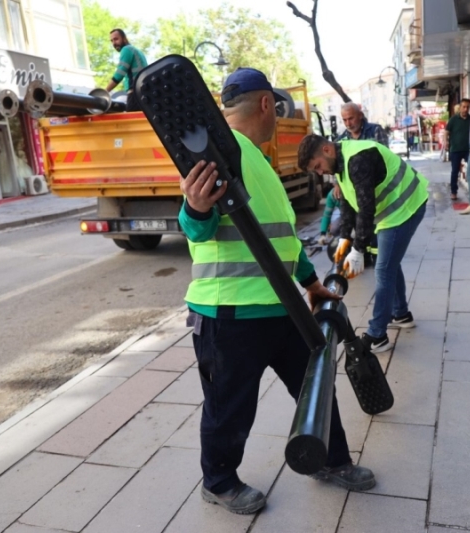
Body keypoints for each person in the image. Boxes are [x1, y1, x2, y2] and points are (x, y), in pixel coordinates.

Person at [179, 67, 375, 515]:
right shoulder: (217, 151)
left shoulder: (258, 160)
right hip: (228, 315)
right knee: (229, 408)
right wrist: (194, 206)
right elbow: (194, 227)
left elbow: (281, 239)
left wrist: (310, 284)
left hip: (281, 306)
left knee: (315, 386)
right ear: (268, 104)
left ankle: (331, 459)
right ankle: (220, 482)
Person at [298, 134, 428, 353]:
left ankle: (378, 336)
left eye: (318, 166)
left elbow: (366, 210)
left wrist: (358, 250)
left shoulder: (358, 159)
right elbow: (348, 202)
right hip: (391, 211)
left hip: (405, 207)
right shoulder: (339, 164)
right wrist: (344, 238)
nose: (320, 173)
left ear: (327, 150)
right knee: (388, 263)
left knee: (384, 268)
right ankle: (401, 314)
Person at [104, 28, 148, 111]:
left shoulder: (126, 49)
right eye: (112, 41)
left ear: (124, 39)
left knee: (132, 122)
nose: (114, 43)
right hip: (144, 92)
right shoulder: (137, 51)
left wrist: (105, 92)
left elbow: (119, 74)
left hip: (135, 93)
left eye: (116, 39)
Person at [445, 99, 470, 201]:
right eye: (464, 107)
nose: (465, 109)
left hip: (468, 149)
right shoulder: (453, 119)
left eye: (467, 107)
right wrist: (446, 142)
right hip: (455, 149)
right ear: (460, 107)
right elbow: (446, 131)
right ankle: (453, 192)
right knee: (455, 172)